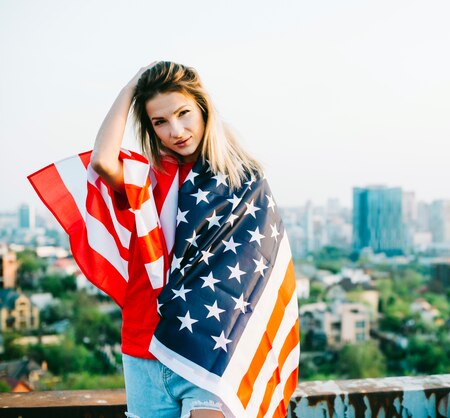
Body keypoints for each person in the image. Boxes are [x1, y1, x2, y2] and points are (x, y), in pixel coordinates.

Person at [29, 61, 299, 418]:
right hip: (143, 348)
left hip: (210, 350)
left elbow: (258, 274)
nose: (176, 130)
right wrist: (131, 88)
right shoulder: (151, 177)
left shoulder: (244, 180)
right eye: (160, 122)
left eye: (183, 113)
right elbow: (102, 162)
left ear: (203, 109)